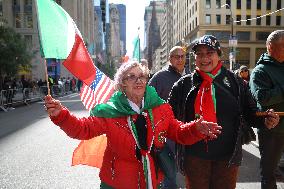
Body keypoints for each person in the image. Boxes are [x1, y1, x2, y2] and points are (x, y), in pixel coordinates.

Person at [44, 61, 222, 189]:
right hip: (117, 182)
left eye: (142, 76)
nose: (139, 81)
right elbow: (82, 129)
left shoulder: (160, 106)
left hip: (153, 179)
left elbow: (177, 132)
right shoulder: (110, 111)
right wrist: (61, 115)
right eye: (132, 77)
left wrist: (195, 128)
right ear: (122, 84)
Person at [168, 35, 280, 189]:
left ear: (218, 54)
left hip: (227, 157)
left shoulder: (236, 82)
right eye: (199, 53)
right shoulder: (183, 85)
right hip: (194, 157)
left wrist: (265, 120)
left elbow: (250, 114)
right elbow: (170, 119)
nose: (204, 57)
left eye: (209, 52)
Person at [149, 45, 189, 188]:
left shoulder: (190, 76)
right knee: (169, 169)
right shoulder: (160, 77)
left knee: (186, 167)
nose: (179, 59)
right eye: (176, 57)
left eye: (182, 56)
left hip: (186, 129)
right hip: (167, 131)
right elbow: (148, 100)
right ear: (170, 59)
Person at [249, 30, 284, 189]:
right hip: (272, 131)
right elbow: (262, 97)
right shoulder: (260, 71)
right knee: (269, 174)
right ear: (270, 47)